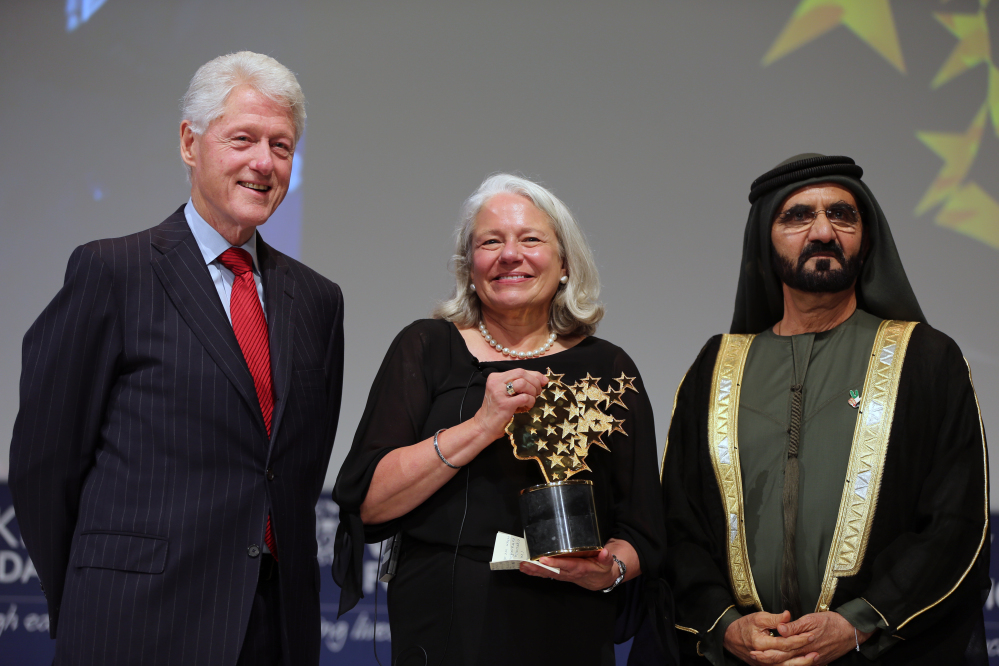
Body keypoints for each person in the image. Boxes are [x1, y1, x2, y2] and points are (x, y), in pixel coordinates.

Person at [9, 51, 344, 666]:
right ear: (190, 143)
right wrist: (91, 589)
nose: (263, 162)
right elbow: (44, 461)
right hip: (132, 624)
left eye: (281, 146)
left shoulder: (318, 301)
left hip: (272, 630)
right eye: (243, 139)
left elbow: (295, 469)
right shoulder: (113, 272)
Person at [660, 154, 989, 665]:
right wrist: (726, 626)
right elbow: (680, 523)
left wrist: (859, 623)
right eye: (797, 216)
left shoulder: (927, 360)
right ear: (764, 241)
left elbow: (955, 522)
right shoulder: (716, 366)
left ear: (867, 238)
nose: (822, 232)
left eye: (841, 215)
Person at [332, 173, 668, 665]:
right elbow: (369, 503)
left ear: (565, 263)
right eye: (490, 242)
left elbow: (643, 529)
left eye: (530, 239)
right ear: (470, 267)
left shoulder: (609, 369)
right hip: (440, 623)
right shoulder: (426, 347)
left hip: (565, 626)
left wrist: (610, 569)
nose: (510, 255)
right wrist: (482, 425)